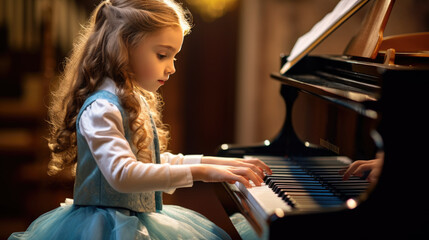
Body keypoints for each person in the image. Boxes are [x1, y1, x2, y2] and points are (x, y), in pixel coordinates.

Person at [9, 0, 271, 239]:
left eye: (174, 56)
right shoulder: (102, 107)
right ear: (124, 46)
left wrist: (214, 164)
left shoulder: (131, 99)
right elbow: (123, 174)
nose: (172, 67)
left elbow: (149, 163)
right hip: (104, 229)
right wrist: (202, 171)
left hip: (137, 222)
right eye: (162, 55)